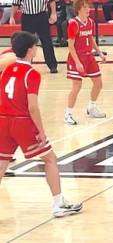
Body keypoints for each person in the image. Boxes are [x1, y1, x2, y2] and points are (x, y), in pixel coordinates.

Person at [0, 31, 83, 217]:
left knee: (1, 164)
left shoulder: (6, 71)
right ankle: (58, 203)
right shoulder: (32, 73)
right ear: (31, 50)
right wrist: (41, 131)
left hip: (3, 120)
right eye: (35, 46)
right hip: (22, 122)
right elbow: (32, 108)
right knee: (50, 158)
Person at [64, 0, 106, 126]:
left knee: (98, 83)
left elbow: (91, 38)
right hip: (77, 57)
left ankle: (91, 107)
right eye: (85, 7)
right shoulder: (73, 24)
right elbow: (70, 46)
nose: (88, 10)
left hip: (89, 57)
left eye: (89, 7)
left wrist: (99, 52)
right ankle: (68, 114)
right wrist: (77, 62)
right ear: (78, 9)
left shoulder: (91, 22)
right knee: (76, 87)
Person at [11, 0, 58, 73]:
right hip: (27, 17)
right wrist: (11, 16)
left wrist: (54, 13)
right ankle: (26, 65)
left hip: (41, 16)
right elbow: (15, 4)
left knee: (46, 41)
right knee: (26, 43)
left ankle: (52, 65)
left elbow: (51, 0)